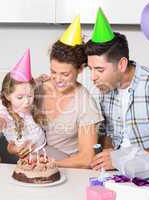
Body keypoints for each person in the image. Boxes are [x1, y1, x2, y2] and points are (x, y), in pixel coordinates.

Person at [85, 9, 149, 171]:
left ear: (121, 64)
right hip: (118, 173)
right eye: (90, 69)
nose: (92, 77)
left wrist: (122, 159)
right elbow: (111, 136)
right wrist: (106, 157)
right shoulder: (106, 89)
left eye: (99, 69)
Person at [39, 16, 103, 168]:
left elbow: (87, 158)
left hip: (68, 169)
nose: (57, 79)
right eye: (53, 72)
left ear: (80, 69)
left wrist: (51, 165)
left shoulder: (86, 104)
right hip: (38, 163)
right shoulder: (37, 89)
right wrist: (14, 147)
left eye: (65, 74)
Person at [0, 49, 47, 158]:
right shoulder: (5, 113)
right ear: (7, 96)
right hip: (28, 158)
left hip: (45, 151)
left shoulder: (28, 96)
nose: (26, 102)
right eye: (20, 97)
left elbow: (31, 86)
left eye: (30, 96)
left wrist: (40, 79)